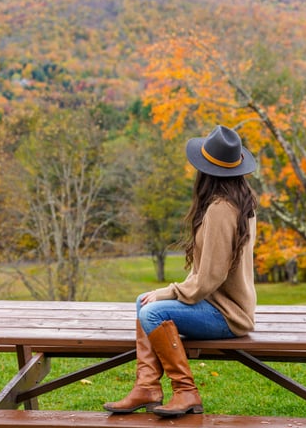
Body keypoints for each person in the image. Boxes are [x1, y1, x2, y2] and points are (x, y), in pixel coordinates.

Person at [103, 125, 258, 417]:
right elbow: (207, 270)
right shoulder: (239, 202)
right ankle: (147, 386)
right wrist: (167, 292)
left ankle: (186, 391)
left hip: (227, 315)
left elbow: (210, 277)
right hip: (219, 305)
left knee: (152, 311)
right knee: (143, 301)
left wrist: (171, 291)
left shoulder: (221, 209)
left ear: (206, 171)